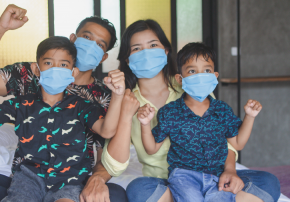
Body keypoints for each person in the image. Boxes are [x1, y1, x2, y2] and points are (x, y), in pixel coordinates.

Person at [0, 4, 127, 202]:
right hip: (28, 180)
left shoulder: (104, 96)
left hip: (72, 182)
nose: (91, 45)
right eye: (87, 37)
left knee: (116, 195)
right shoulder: (30, 75)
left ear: (103, 57)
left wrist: (97, 180)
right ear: (73, 39)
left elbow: (107, 147)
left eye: (100, 44)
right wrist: (0, 28)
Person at [101, 19, 281, 202]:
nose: (146, 53)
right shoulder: (126, 99)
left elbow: (226, 140)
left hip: (214, 175)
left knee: (269, 182)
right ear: (127, 58)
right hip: (166, 181)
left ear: (166, 50)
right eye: (137, 48)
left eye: (153, 45)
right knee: (138, 190)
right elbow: (115, 166)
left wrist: (230, 171)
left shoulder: (195, 85)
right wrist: (124, 110)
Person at [139, 42, 263, 202]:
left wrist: (250, 116)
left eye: (207, 70)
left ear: (215, 76)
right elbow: (151, 148)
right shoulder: (169, 112)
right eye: (192, 71)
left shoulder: (222, 110)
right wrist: (144, 124)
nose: (200, 75)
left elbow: (238, 143)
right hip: (183, 176)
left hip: (217, 176)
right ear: (180, 78)